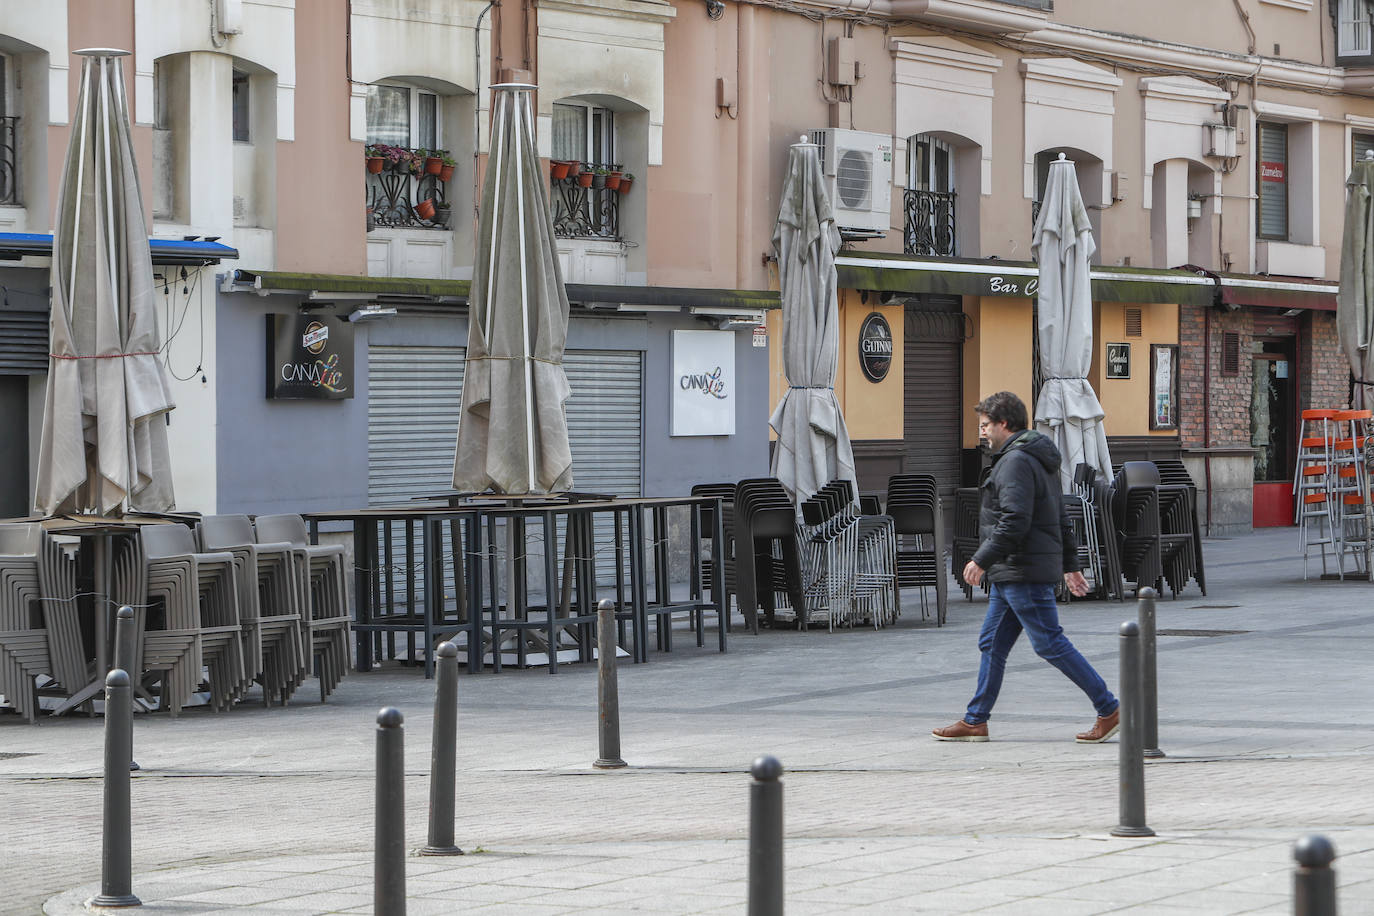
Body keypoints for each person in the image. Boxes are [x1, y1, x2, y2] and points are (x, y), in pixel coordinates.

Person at [932, 391, 1119, 744]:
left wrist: (980, 559)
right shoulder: (1034, 458)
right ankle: (976, 720)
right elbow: (1059, 515)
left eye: (986, 425)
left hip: (1023, 569)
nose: (982, 432)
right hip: (1014, 570)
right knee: (992, 642)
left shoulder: (1017, 461)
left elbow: (1016, 519)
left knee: (1049, 643)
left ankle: (1109, 708)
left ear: (1004, 424)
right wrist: (1070, 565)